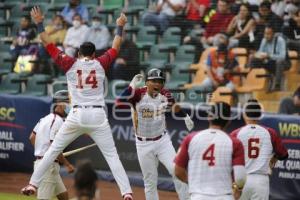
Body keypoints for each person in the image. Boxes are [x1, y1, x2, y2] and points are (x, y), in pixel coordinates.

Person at [21, 7, 133, 200]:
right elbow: (116, 46)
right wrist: (119, 26)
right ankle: (127, 193)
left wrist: (39, 22)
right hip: (98, 115)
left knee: (53, 150)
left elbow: (47, 43)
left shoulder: (70, 63)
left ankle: (33, 184)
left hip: (77, 114)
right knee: (113, 157)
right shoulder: (101, 63)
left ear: (79, 53)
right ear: (94, 54)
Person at [116, 69, 194, 200]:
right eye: (154, 81)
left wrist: (185, 116)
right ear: (147, 82)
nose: (157, 84)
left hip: (162, 141)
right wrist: (131, 86)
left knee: (176, 172)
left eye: (160, 82)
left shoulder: (165, 94)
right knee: (150, 181)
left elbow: (174, 106)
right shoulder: (138, 94)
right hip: (143, 143)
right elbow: (119, 103)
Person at [174, 101, 246, 200]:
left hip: (198, 196)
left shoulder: (191, 138)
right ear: (228, 121)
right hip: (224, 196)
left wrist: (192, 183)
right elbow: (240, 178)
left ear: (209, 117)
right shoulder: (235, 143)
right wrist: (238, 190)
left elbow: (178, 171)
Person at [231, 99, 289, 200]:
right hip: (261, 180)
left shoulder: (236, 133)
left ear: (244, 115)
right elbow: (284, 155)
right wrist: (274, 157)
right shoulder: (270, 132)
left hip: (241, 180)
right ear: (259, 115)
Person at [29, 90, 75, 200]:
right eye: (68, 103)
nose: (71, 106)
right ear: (60, 104)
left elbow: (32, 137)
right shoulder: (58, 121)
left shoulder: (44, 119)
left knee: (64, 196)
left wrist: (42, 151)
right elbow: (54, 146)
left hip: (49, 166)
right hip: (48, 168)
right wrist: (67, 164)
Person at [249, 25, 290, 90]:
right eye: (265, 33)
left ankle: (277, 85)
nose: (266, 36)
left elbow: (282, 56)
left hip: (284, 63)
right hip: (270, 61)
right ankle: (253, 79)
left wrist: (269, 55)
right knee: (254, 59)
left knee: (279, 61)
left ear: (273, 34)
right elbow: (260, 52)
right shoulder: (264, 40)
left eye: (268, 34)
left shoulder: (280, 40)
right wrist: (255, 55)